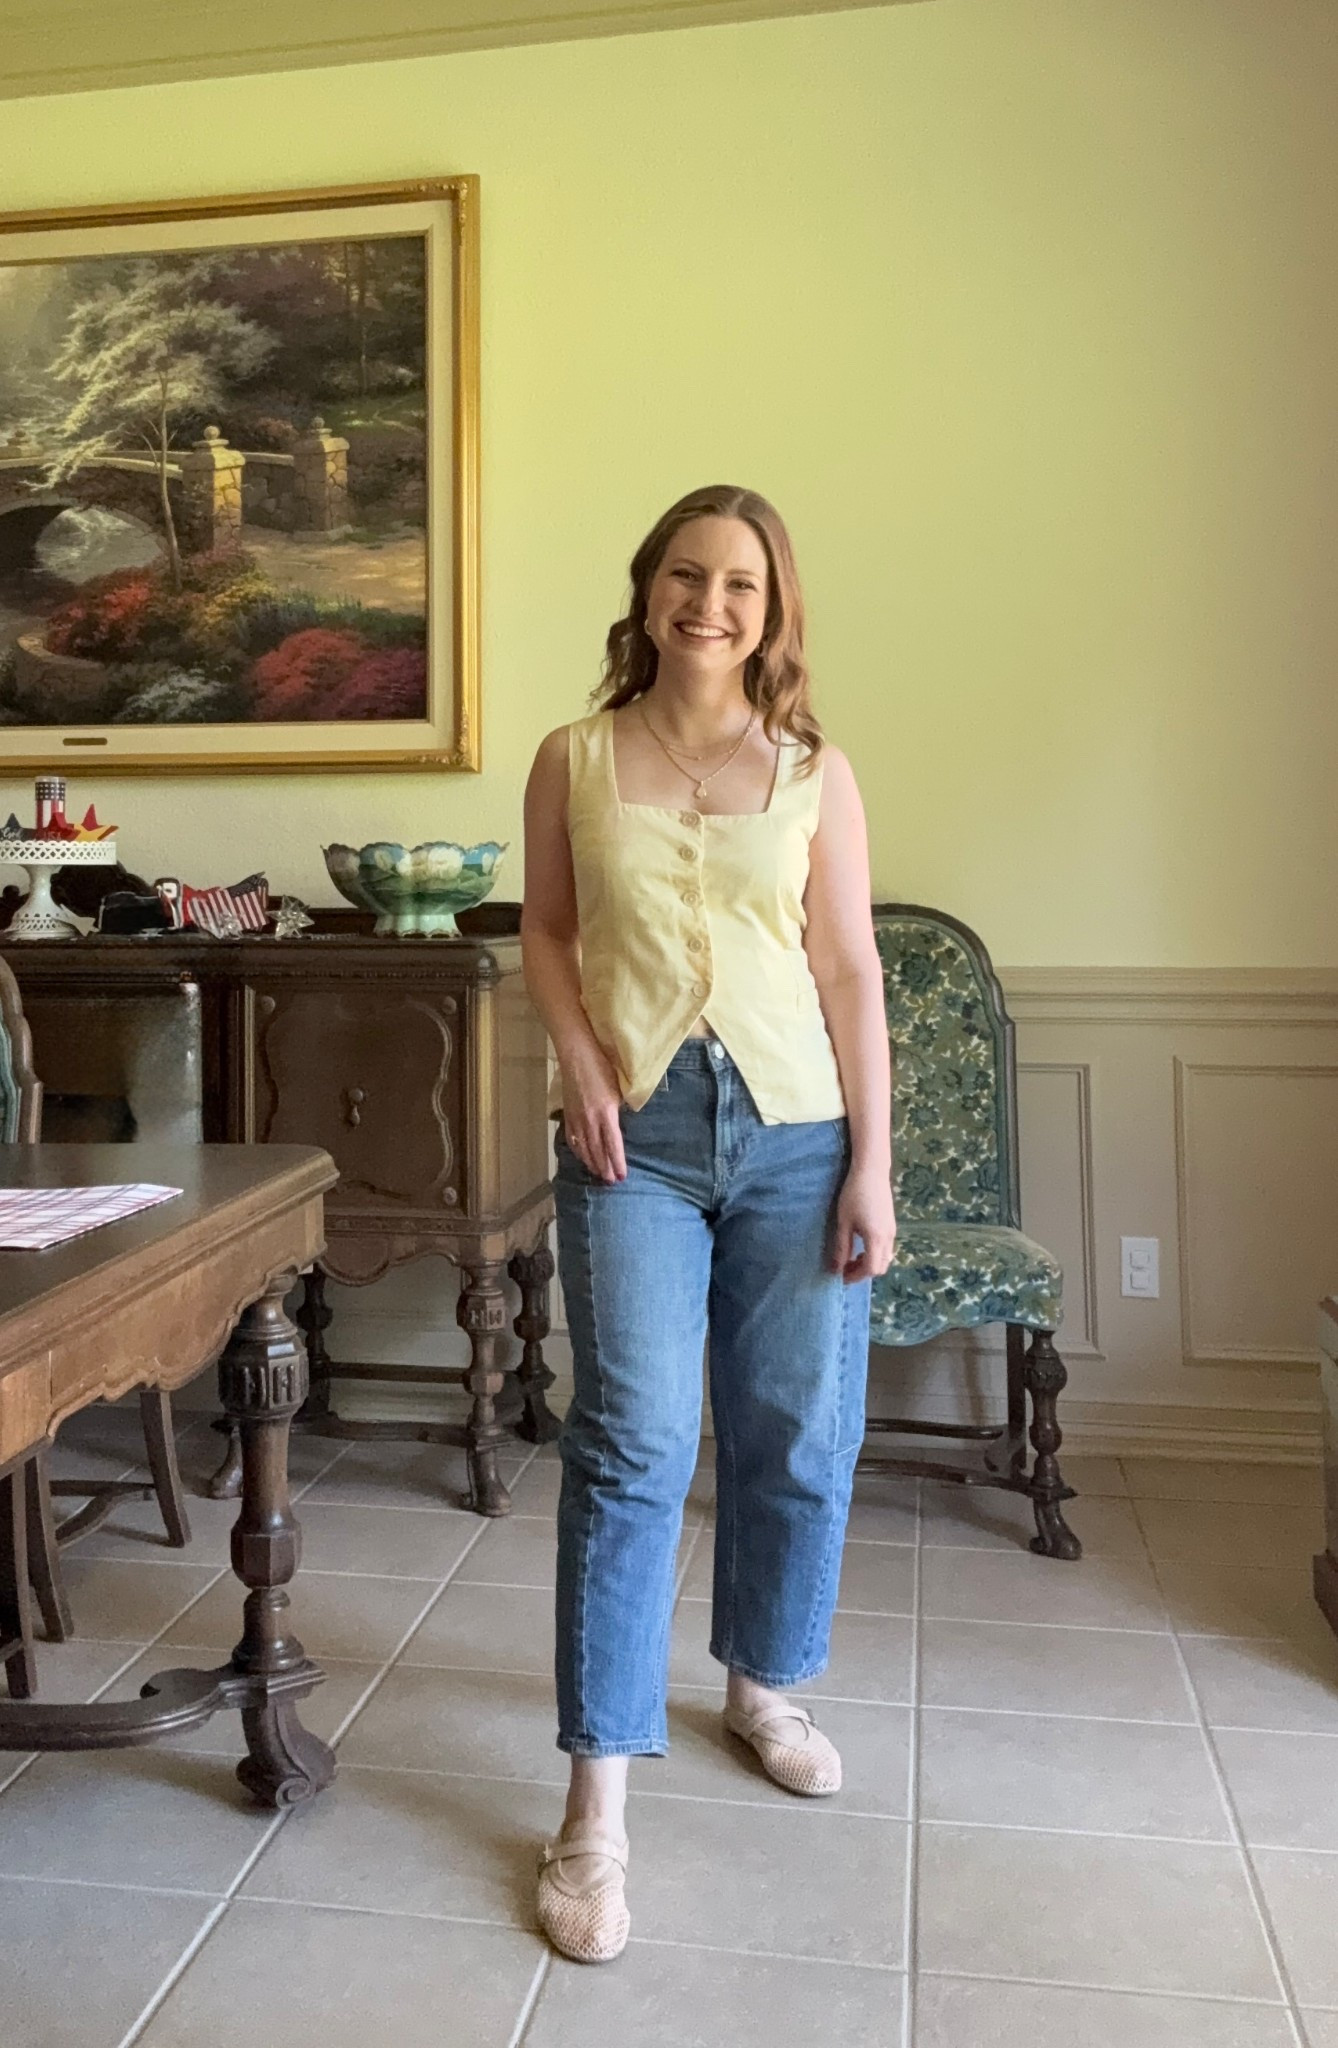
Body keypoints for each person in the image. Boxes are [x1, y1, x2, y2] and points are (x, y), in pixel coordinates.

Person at [520, 483, 896, 1964]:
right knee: (629, 1443)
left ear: (772, 606)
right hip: (635, 1144)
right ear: (649, 588)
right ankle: (594, 1812)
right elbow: (547, 928)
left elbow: (851, 968)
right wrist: (574, 1060)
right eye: (688, 574)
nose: (711, 603)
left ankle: (762, 1685)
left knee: (795, 1432)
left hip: (800, 1134)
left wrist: (873, 1162)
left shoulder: (813, 767)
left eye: (741, 582)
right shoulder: (572, 757)